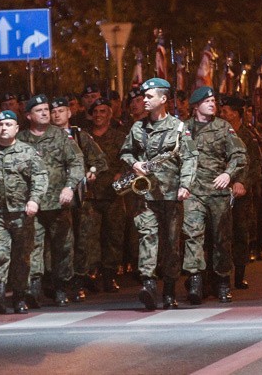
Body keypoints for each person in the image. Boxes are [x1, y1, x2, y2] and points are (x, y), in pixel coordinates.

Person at [120, 78, 189, 310]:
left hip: (171, 194)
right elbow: (125, 152)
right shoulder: (138, 127)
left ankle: (169, 290)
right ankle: (148, 285)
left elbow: (190, 158)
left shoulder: (179, 128)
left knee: (171, 244)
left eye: (149, 97)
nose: (144, 101)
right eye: (143, 97)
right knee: (147, 236)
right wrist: (134, 164)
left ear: (163, 99)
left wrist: (185, 185)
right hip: (145, 194)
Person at [0, 110, 48, 314]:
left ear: (16, 128)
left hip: (21, 213)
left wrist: (34, 200)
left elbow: (40, 177)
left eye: (8, 124)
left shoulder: (28, 151)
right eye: (0, 125)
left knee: (22, 257)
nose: (4, 128)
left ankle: (19, 295)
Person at [179, 86, 247, 305]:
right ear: (195, 106)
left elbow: (240, 154)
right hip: (192, 192)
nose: (212, 104)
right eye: (207, 101)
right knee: (192, 235)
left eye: (213, 101)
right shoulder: (184, 129)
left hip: (217, 193)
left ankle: (222, 281)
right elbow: (173, 156)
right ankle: (196, 280)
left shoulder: (223, 127)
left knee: (221, 238)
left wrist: (229, 174)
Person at [17, 94, 85, 308]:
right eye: (39, 110)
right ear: (29, 115)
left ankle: (61, 287)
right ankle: (33, 288)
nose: (46, 113)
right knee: (32, 247)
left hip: (58, 201)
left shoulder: (61, 136)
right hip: (33, 204)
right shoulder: (21, 139)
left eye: (47, 109)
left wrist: (70, 186)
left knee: (63, 247)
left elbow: (76, 162)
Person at [50, 96, 108, 301]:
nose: (56, 115)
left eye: (61, 111)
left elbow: (100, 161)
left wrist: (91, 173)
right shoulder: (46, 136)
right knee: (61, 241)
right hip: (55, 197)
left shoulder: (79, 135)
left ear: (69, 113)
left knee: (83, 240)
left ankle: (79, 280)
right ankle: (59, 280)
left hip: (81, 197)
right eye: (53, 112)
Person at [219, 96, 262, 289]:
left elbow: (255, 165)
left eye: (226, 111)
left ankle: (240, 273)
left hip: (241, 194)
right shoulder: (218, 134)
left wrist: (243, 183)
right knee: (221, 234)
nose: (222, 114)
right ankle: (221, 276)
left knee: (240, 233)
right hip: (220, 192)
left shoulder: (247, 137)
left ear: (236, 114)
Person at [88, 97, 129, 293]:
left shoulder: (119, 137)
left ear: (110, 115)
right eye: (95, 112)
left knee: (113, 236)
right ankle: (91, 274)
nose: (98, 116)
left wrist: (120, 174)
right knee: (90, 238)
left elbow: (127, 161)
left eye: (103, 111)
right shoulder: (85, 138)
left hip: (113, 194)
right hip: (91, 195)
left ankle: (110, 275)